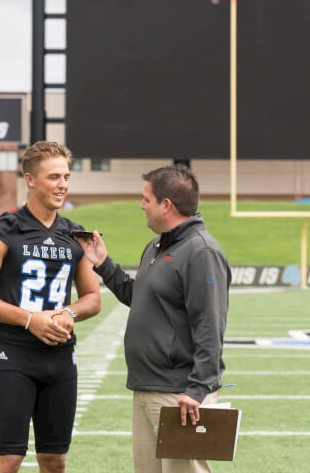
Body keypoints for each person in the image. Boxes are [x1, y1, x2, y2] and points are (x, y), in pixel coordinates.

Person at [81, 164, 231, 473]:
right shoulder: (158, 245)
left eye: (146, 199)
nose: (141, 205)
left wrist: (197, 390)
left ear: (167, 205)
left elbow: (210, 325)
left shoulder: (201, 251)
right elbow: (142, 298)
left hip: (180, 394)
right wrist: (103, 264)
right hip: (149, 387)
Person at [0, 141, 101, 473]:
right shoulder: (3, 231)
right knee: (8, 459)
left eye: (66, 176)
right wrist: (29, 320)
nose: (63, 184)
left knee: (55, 460)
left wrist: (67, 313)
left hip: (61, 359)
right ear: (30, 179)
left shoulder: (74, 235)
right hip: (15, 358)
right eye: (54, 177)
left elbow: (92, 298)